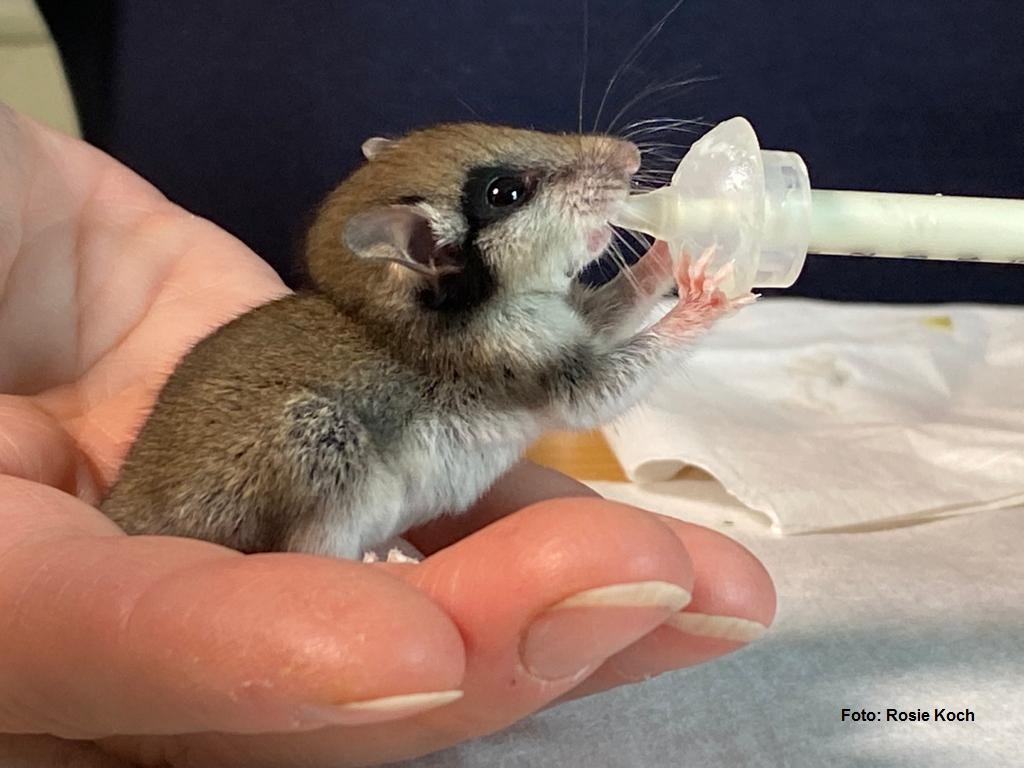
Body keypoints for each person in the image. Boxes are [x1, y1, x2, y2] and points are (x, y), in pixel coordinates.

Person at [0, 105, 774, 767]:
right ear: (434, 254)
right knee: (315, 431)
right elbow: (584, 389)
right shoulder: (481, 331)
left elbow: (578, 345)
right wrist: (690, 317)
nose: (619, 163)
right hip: (249, 475)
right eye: (513, 192)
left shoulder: (511, 315)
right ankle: (319, 562)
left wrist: (656, 277)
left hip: (307, 415)